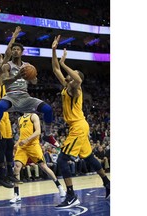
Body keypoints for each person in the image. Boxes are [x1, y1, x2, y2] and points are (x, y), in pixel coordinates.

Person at [52, 35, 110, 209]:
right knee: (90, 157)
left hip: (78, 127)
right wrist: (54, 51)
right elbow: (55, 69)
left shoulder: (76, 89)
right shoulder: (66, 86)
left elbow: (77, 79)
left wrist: (64, 64)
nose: (69, 76)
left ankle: (71, 195)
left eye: (72, 74)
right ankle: (108, 183)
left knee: (62, 160)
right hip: (79, 125)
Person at [0, 33, 59, 151]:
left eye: (18, 49)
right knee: (0, 107)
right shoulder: (6, 66)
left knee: (48, 109)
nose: (15, 51)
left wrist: (33, 77)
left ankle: (48, 135)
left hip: (25, 97)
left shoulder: (27, 66)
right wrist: (17, 76)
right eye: (13, 49)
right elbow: (5, 82)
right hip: (11, 96)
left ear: (22, 52)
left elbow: (34, 82)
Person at [0, 26, 22, 188]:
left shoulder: (5, 80)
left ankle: (8, 173)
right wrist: (13, 36)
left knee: (8, 144)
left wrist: (2, 60)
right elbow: (6, 59)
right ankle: (0, 176)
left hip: (5, 114)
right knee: (2, 145)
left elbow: (5, 64)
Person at [10, 113, 66, 204]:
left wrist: (27, 140)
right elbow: (22, 135)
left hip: (33, 145)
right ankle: (16, 195)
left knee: (43, 167)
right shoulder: (20, 118)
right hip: (23, 147)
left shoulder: (33, 116)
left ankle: (60, 187)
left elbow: (38, 131)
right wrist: (17, 143)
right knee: (16, 167)